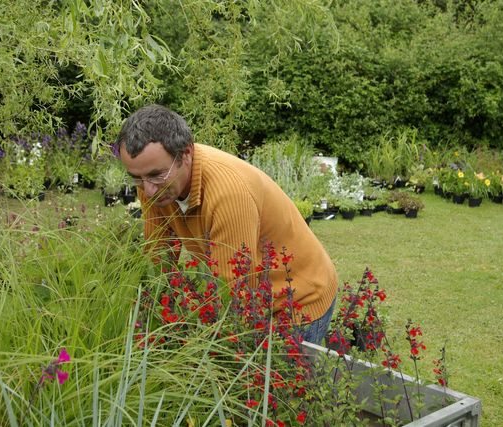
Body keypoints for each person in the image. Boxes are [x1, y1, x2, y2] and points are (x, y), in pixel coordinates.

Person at [116, 104, 338, 344]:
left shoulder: (229, 195)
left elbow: (235, 298)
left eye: (157, 175)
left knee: (272, 380)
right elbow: (158, 257)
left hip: (297, 300)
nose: (148, 190)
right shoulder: (152, 184)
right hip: (251, 296)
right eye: (137, 178)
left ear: (186, 154)